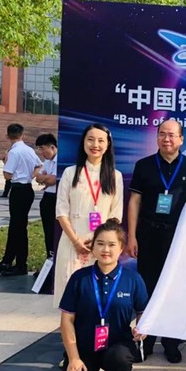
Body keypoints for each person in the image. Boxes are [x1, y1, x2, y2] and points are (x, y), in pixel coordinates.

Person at [127, 119, 186, 363]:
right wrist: (131, 236)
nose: (166, 139)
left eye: (172, 135)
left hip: (178, 237)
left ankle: (171, 342)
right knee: (147, 287)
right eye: (162, 134)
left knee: (175, 287)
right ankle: (147, 339)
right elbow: (135, 202)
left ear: (181, 139)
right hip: (148, 234)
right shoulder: (144, 165)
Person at [58, 219, 148, 371]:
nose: (105, 249)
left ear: (121, 248)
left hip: (118, 344)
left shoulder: (132, 279)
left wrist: (142, 327)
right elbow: (66, 320)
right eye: (100, 243)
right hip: (85, 346)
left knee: (119, 358)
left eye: (111, 244)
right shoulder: (79, 278)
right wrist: (73, 358)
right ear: (93, 247)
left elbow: (143, 311)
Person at [54, 124, 124, 307]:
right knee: (71, 295)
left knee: (98, 296)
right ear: (83, 142)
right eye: (90, 139)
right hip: (72, 241)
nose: (95, 145)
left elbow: (115, 214)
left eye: (101, 140)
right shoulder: (70, 173)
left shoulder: (115, 176)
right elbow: (61, 212)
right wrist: (76, 241)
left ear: (108, 145)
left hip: (101, 245)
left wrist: (97, 241)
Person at [0, 124, 42, 277]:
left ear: (7, 136)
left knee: (18, 228)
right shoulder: (29, 150)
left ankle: (20, 264)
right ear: (22, 135)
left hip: (18, 190)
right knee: (17, 226)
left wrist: (6, 162)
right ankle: (8, 260)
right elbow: (39, 165)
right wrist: (30, 176)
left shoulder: (13, 152)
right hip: (27, 189)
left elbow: (7, 175)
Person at [35, 134, 59, 267]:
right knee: (47, 232)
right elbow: (38, 177)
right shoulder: (48, 161)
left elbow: (53, 180)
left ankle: (55, 263)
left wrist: (46, 178)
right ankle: (49, 261)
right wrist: (46, 178)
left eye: (43, 149)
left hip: (56, 199)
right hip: (47, 199)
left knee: (54, 232)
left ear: (52, 147)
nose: (42, 152)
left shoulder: (59, 160)